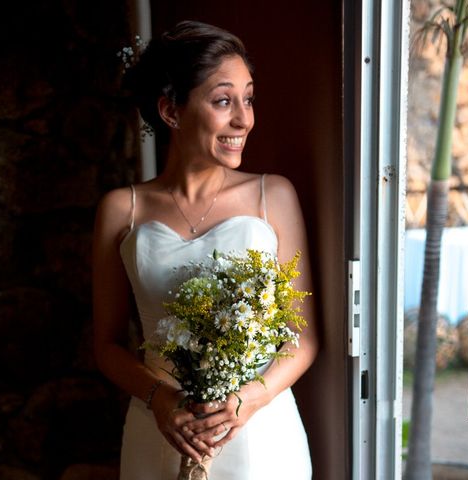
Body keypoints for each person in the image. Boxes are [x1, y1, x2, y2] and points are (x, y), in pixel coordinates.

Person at [92, 20, 318, 480]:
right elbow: (107, 345)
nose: (244, 119)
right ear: (170, 111)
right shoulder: (121, 210)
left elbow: (304, 339)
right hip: (160, 427)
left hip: (258, 431)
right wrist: (160, 401)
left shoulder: (273, 196)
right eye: (223, 100)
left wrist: (248, 398)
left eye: (248, 98)